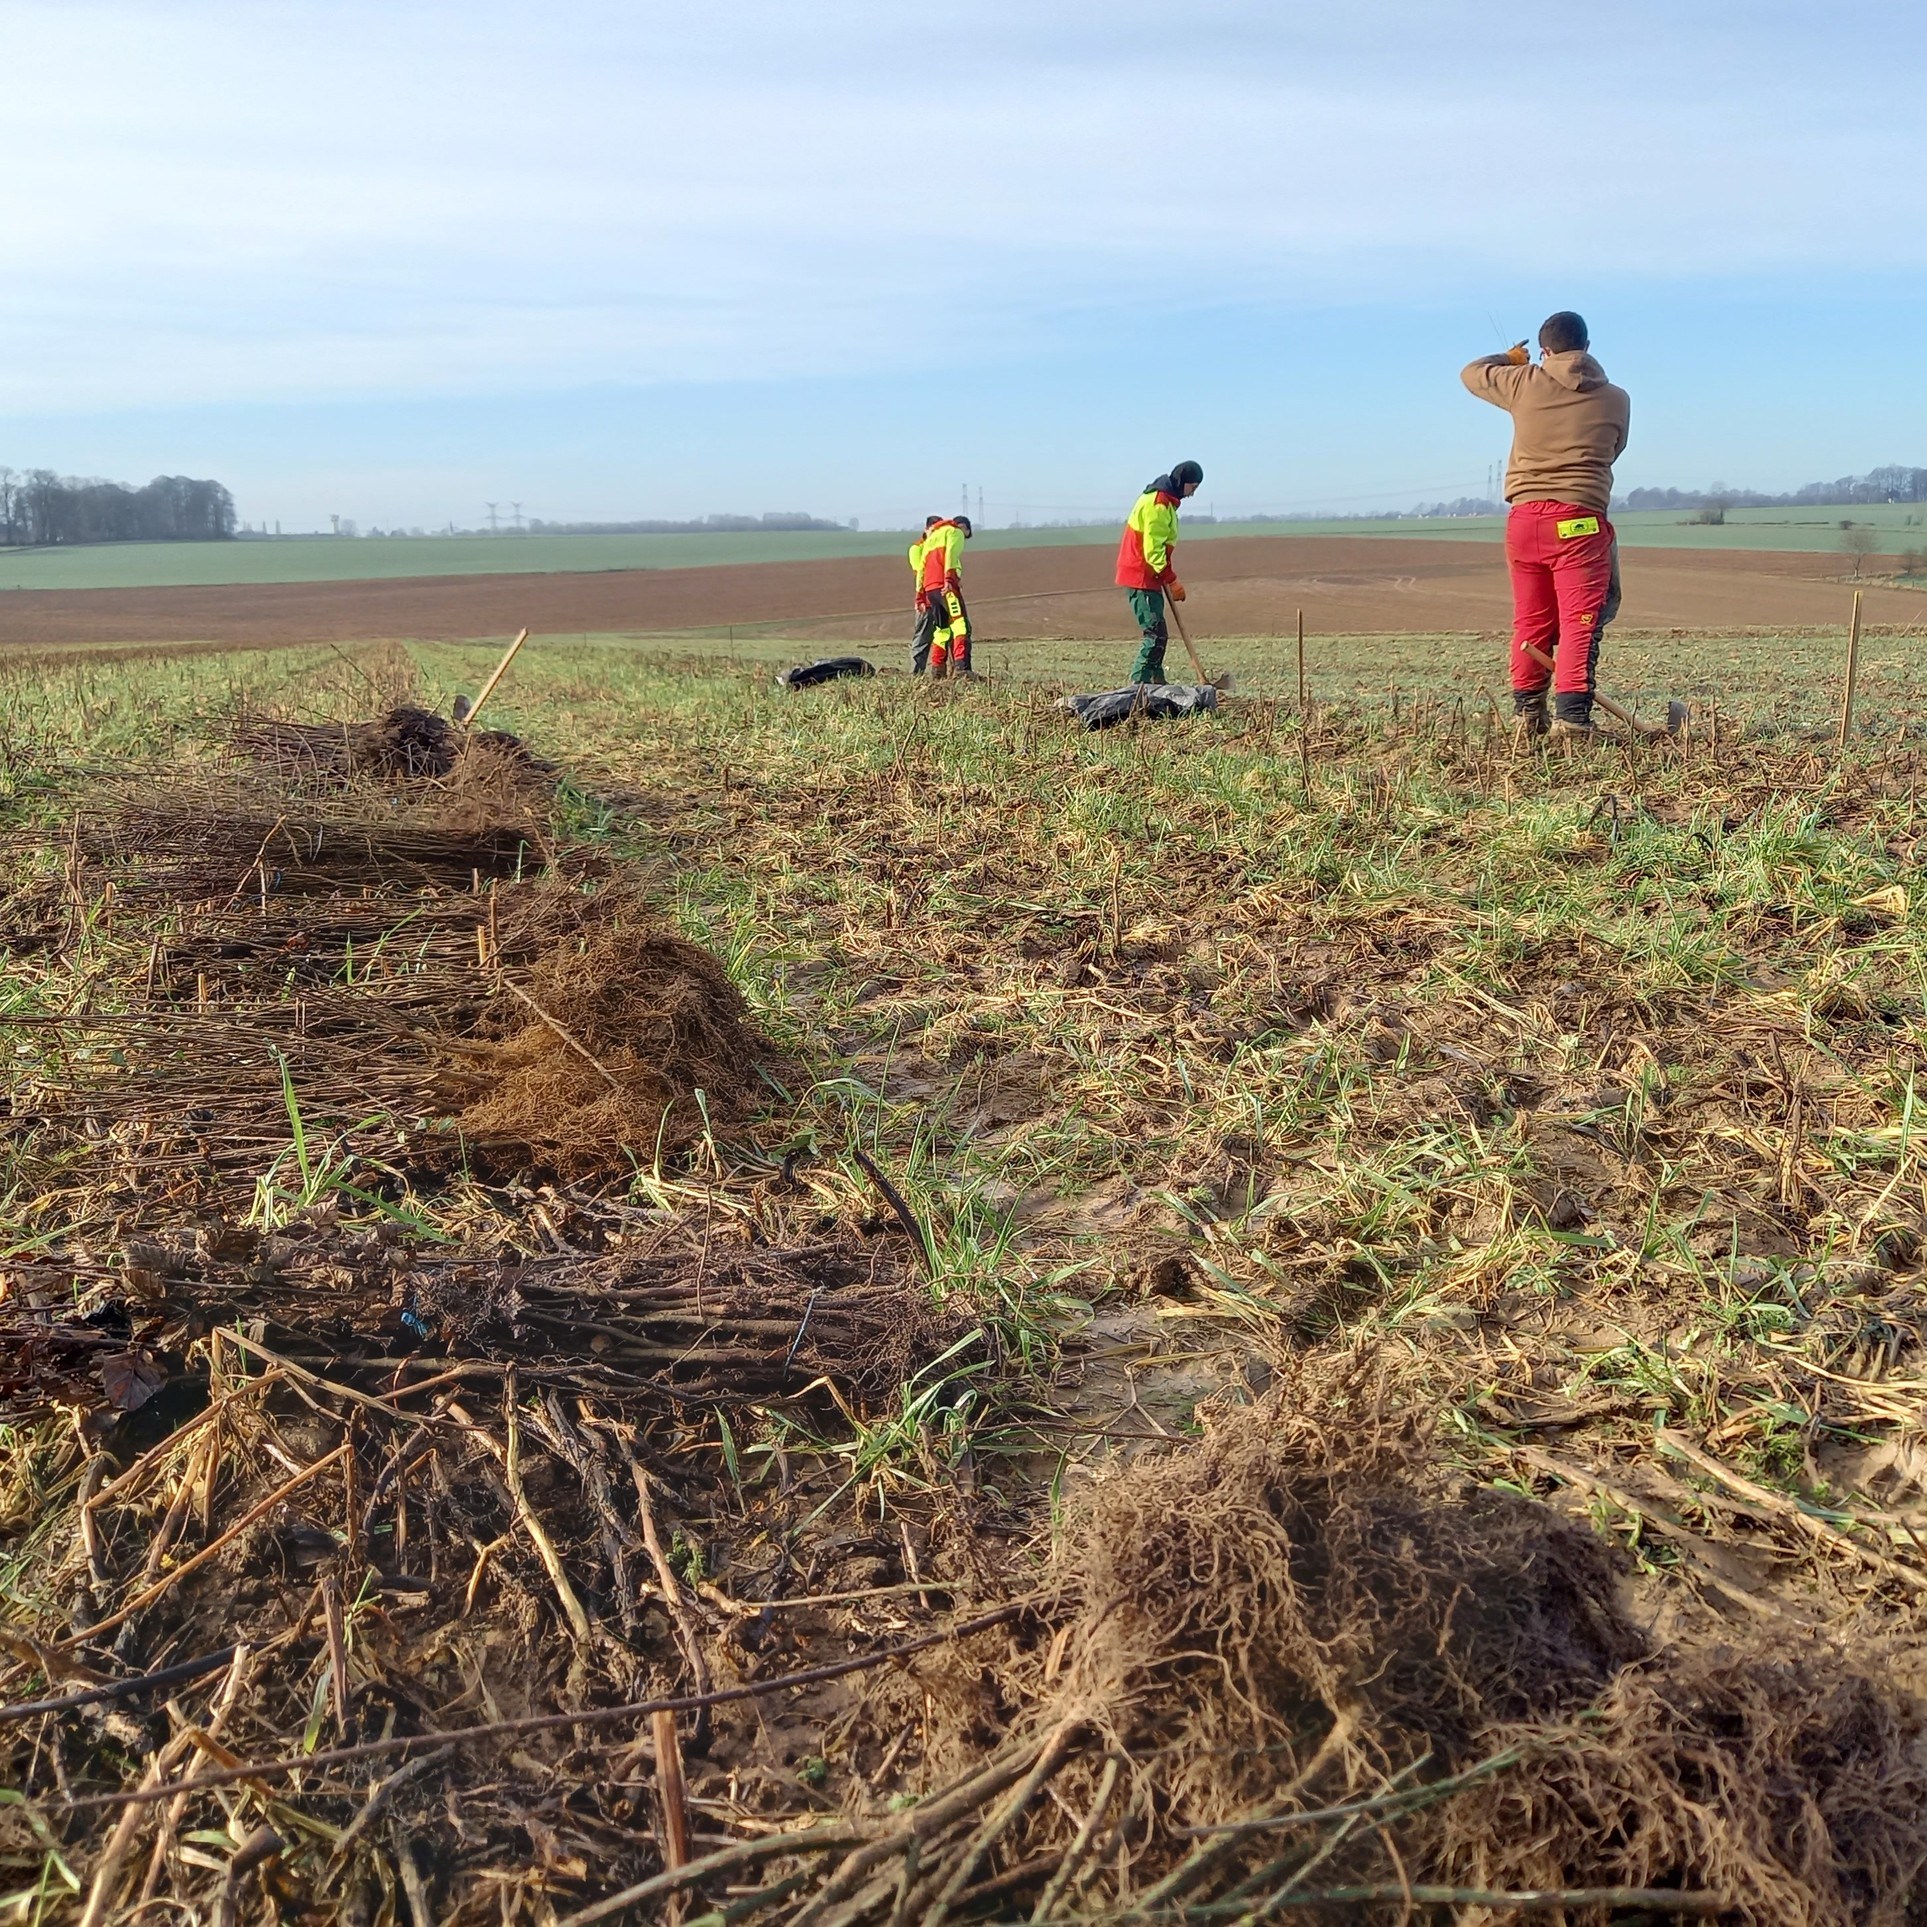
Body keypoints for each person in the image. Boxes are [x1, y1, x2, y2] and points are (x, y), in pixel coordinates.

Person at [1462, 313, 1629, 742]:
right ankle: (1572, 721)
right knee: (1579, 621)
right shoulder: (1616, 399)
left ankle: (1527, 717)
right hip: (1578, 523)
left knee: (1531, 620)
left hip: (1524, 522)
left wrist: (1511, 359)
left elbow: (1471, 373)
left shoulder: (1523, 381)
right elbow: (1614, 449)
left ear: (1544, 351)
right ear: (1587, 347)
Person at [1114, 462, 1202, 684]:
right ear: (1182, 482)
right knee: (1155, 634)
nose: (1192, 493)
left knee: (1159, 634)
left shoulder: (1166, 502)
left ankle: (1156, 681)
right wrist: (1171, 580)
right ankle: (1139, 685)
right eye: (1192, 487)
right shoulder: (1159, 503)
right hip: (1141, 575)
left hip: (1150, 575)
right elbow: (1153, 550)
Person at [912, 515, 975, 679]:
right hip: (946, 588)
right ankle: (962, 668)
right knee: (960, 625)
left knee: (941, 630)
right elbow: (951, 555)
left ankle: (937, 671)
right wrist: (949, 580)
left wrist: (920, 596)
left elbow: (922, 568)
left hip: (930, 588)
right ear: (965, 528)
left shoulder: (931, 539)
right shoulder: (954, 532)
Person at [906, 515, 943, 673]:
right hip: (926, 600)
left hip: (943, 598)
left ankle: (947, 672)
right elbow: (921, 571)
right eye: (935, 529)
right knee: (922, 638)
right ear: (926, 529)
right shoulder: (917, 548)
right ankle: (916, 674)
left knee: (946, 637)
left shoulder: (942, 547)